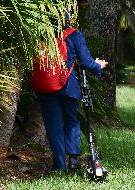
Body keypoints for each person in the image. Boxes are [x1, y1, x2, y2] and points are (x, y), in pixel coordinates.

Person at [38, 12, 108, 172]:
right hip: (68, 87)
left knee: (53, 125)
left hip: (46, 87)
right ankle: (74, 159)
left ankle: (59, 166)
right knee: (71, 120)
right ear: (68, 21)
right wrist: (99, 65)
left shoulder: (42, 35)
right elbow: (86, 62)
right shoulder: (75, 35)